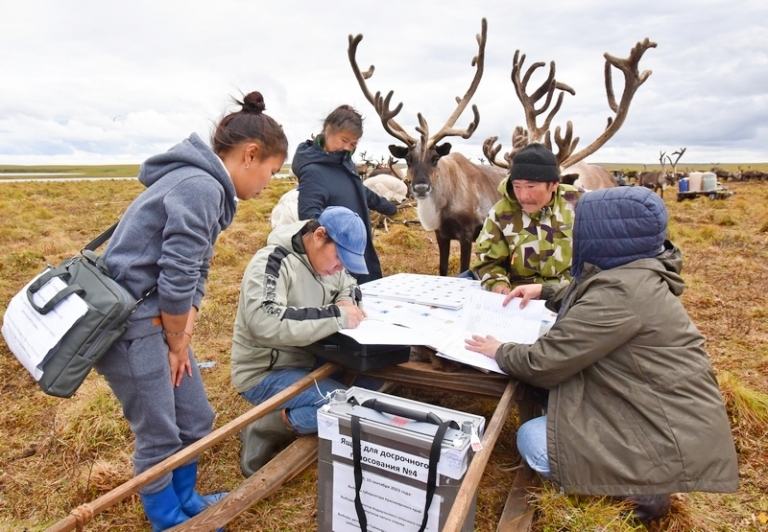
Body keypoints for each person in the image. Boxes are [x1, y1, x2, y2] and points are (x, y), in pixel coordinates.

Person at [465, 186, 739, 522]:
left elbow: (543, 363)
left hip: (659, 436)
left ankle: (641, 492)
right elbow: (589, 289)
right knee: (555, 398)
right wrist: (545, 291)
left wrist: (499, 350)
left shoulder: (620, 293)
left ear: (605, 235)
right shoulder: (636, 272)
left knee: (533, 439)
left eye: (583, 225)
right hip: (652, 411)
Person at [94, 91, 288, 531]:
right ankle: (168, 522)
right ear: (250, 154)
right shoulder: (201, 187)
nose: (269, 183)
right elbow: (177, 275)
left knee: (196, 418)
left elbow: (196, 269)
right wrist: (176, 340)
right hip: (129, 329)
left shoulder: (210, 188)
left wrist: (180, 341)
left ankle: (186, 501)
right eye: (273, 171)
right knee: (159, 433)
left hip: (159, 324)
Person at [231, 206, 372, 477]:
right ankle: (266, 426)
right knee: (346, 404)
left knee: (371, 385)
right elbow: (264, 322)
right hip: (265, 372)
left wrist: (346, 299)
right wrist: (337, 316)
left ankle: (296, 409)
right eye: (339, 258)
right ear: (319, 236)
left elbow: (348, 282)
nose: (340, 267)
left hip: (308, 359)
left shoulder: (327, 261)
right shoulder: (271, 262)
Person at [293, 105, 397, 283]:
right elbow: (308, 217)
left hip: (360, 252)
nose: (348, 147)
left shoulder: (343, 162)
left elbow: (357, 190)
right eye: (344, 140)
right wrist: (334, 244)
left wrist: (387, 206)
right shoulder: (313, 171)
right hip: (338, 262)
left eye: (353, 144)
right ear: (328, 129)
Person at [470, 143, 582, 292]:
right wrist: (499, 286)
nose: (523, 196)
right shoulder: (500, 213)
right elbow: (488, 263)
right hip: (521, 295)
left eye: (531, 187)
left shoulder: (580, 203)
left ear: (554, 184)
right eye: (517, 186)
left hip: (572, 292)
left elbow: (601, 256)